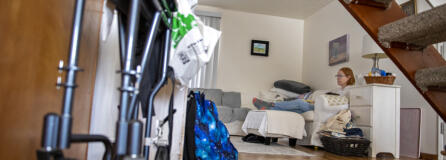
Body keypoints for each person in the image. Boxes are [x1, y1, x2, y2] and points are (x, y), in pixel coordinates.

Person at [253, 67, 356, 114]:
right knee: (297, 110)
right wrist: (317, 101)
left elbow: (344, 103)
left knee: (299, 102)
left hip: (328, 109)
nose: (337, 78)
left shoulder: (350, 90)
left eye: (340, 76)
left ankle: (271, 105)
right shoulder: (336, 89)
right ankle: (269, 109)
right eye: (337, 75)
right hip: (320, 105)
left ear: (348, 77)